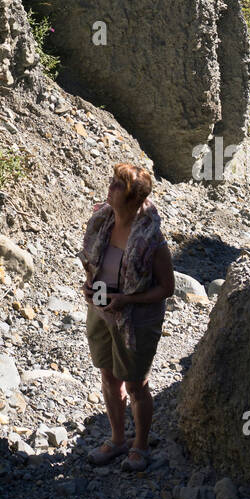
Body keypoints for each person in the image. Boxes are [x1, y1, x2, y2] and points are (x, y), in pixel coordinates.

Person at [78, 161, 175, 470]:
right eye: (113, 181)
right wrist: (89, 286)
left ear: (133, 198)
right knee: (108, 376)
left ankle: (140, 445)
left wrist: (128, 299)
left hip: (136, 320)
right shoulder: (102, 221)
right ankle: (118, 440)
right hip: (102, 312)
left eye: (119, 185)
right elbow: (93, 262)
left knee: (135, 385)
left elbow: (166, 288)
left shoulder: (151, 239)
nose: (111, 187)